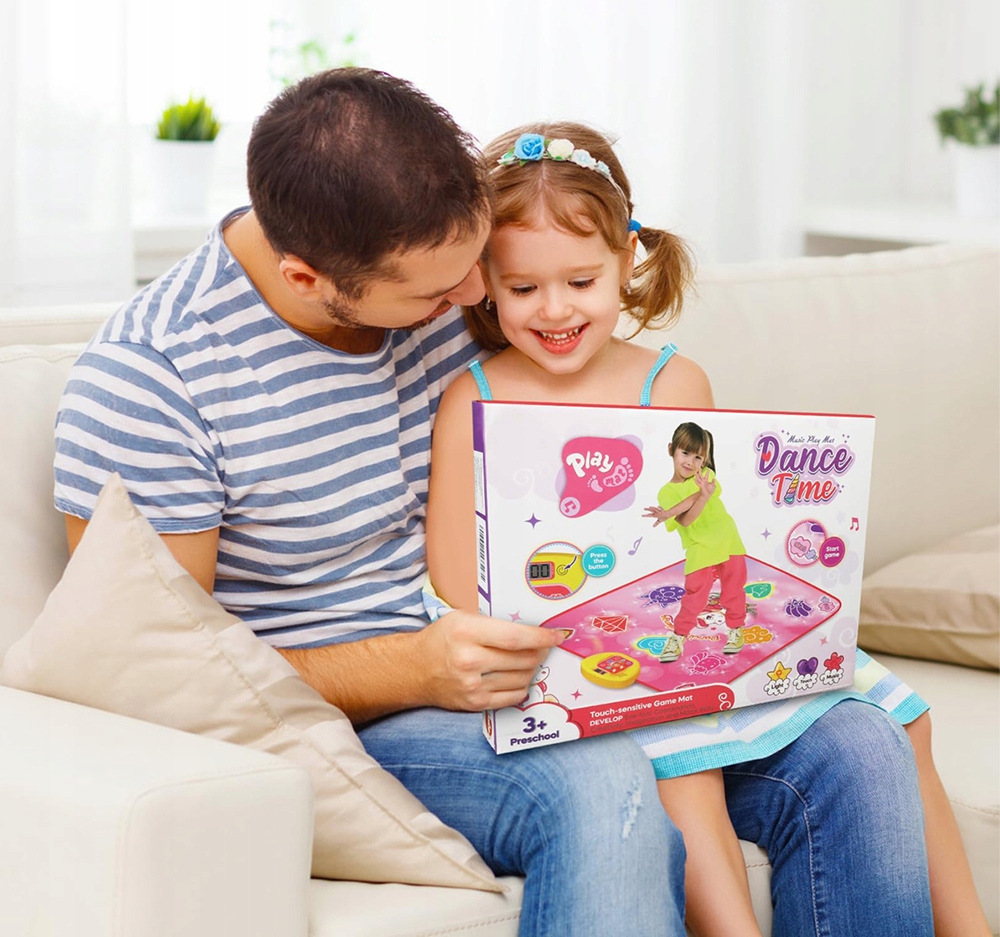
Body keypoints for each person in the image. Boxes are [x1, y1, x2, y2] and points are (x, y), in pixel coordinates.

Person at [52, 69, 688, 937]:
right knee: (597, 778)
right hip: (363, 721)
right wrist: (412, 668)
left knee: (850, 747)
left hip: (547, 658)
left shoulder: (439, 261)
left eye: (475, 268)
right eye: (435, 294)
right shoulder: (154, 380)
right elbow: (161, 676)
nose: (473, 304)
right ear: (307, 277)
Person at [426, 121, 990, 937]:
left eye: (581, 280)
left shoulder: (672, 382)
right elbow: (453, 580)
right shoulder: (472, 396)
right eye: (523, 289)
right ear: (485, 283)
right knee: (683, 761)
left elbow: (713, 516)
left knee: (906, 719)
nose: (554, 309)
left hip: (686, 607)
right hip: (552, 644)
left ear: (627, 259)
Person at [646, 421, 748, 663]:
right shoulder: (666, 492)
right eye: (685, 453)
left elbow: (693, 498)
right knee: (695, 594)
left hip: (727, 539)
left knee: (733, 589)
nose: (690, 462)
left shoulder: (706, 476)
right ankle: (678, 636)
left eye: (698, 457)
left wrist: (676, 509)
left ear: (705, 460)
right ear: (671, 449)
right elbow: (686, 520)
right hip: (699, 547)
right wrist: (694, 501)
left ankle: (736, 629)